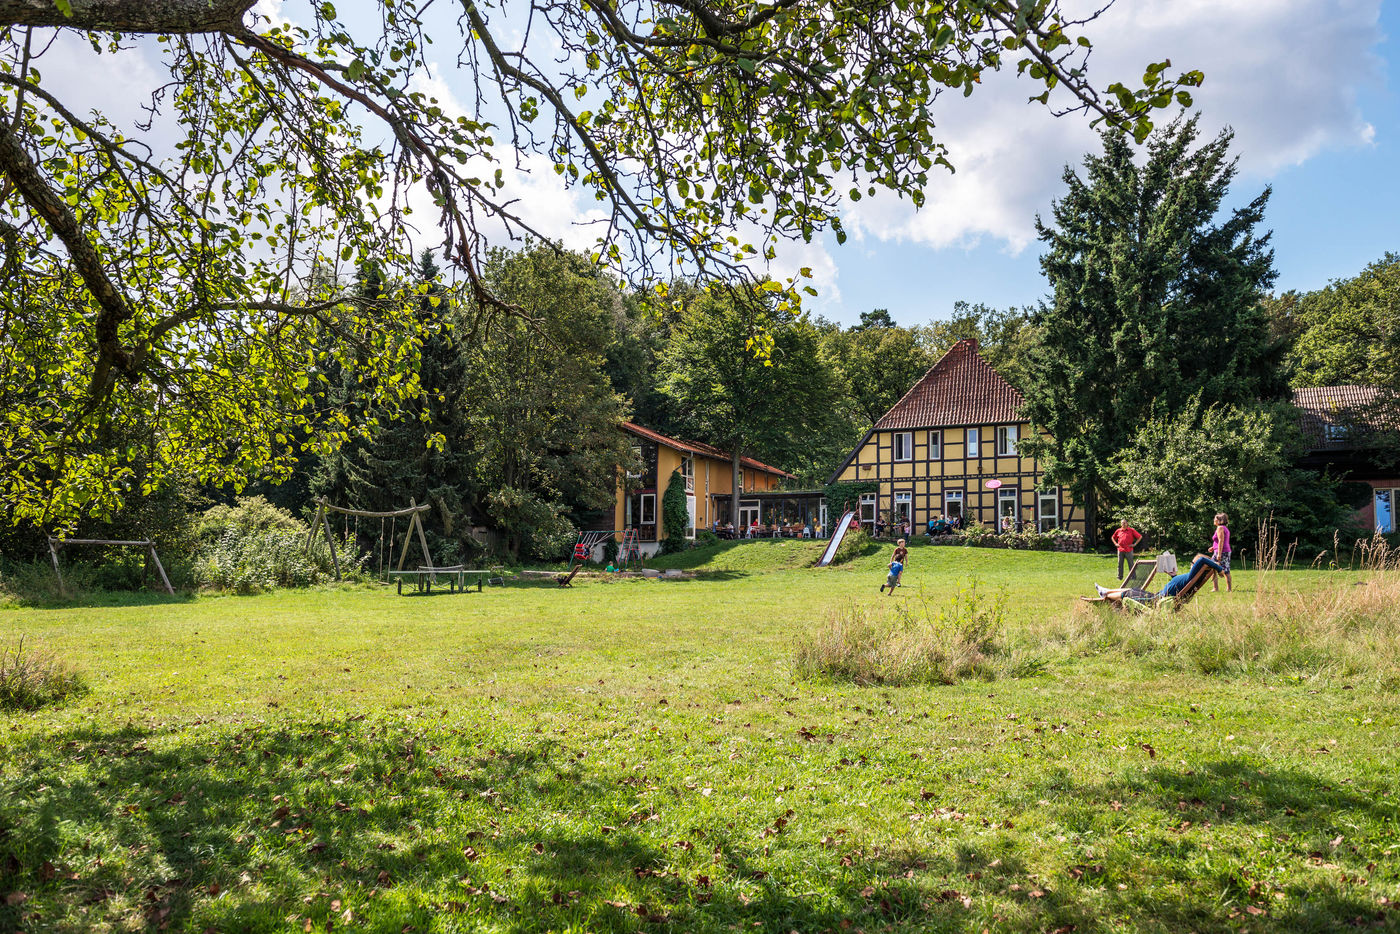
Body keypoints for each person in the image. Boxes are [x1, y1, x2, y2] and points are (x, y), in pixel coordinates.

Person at [1095, 553, 1223, 606]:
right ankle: (1106, 591)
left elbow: (1201, 560)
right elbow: (1180, 586)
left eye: (1192, 563)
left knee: (1128, 594)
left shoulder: (1192, 576)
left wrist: (1219, 568)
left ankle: (1105, 594)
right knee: (1133, 589)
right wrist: (1173, 575)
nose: (1191, 565)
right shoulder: (1193, 579)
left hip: (1156, 600)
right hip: (1158, 596)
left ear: (1196, 566)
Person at [1210, 511, 1232, 592]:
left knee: (1215, 568)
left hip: (1222, 552)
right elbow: (1220, 541)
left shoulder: (1220, 528)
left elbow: (1221, 541)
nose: (1214, 520)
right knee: (1223, 569)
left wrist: (1219, 554)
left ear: (1219, 520)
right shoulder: (1223, 528)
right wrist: (1213, 547)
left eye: (1215, 519)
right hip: (1223, 551)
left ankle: (1218, 588)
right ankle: (1225, 589)